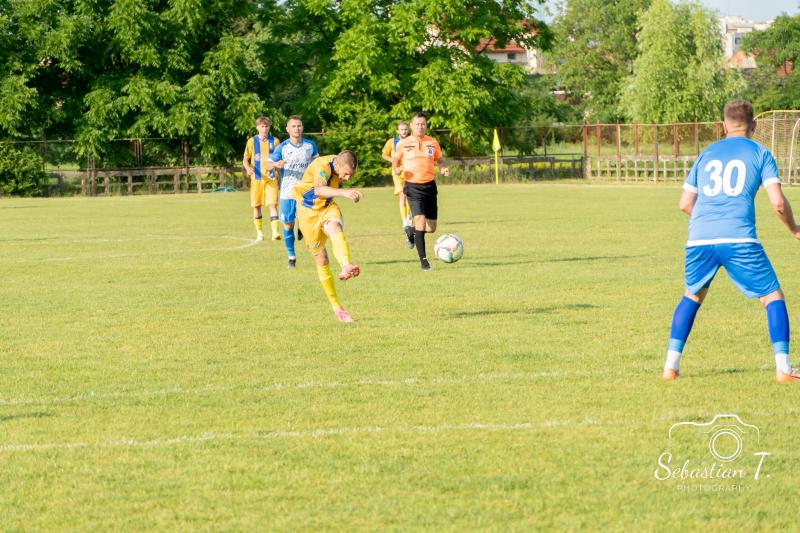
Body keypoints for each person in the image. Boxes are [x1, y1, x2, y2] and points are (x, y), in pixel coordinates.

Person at [662, 99, 800, 383]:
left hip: (699, 238)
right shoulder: (760, 153)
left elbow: (685, 203)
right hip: (739, 238)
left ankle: (670, 368)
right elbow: (777, 203)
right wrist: (794, 229)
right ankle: (784, 369)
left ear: (723, 125)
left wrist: (708, 221)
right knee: (772, 297)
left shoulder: (707, 153)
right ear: (754, 125)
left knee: (692, 296)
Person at [294, 151, 362, 322]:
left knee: (335, 227)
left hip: (327, 208)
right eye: (345, 174)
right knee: (322, 260)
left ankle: (345, 265)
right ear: (337, 165)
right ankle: (337, 307)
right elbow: (319, 189)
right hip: (307, 213)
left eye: (350, 175)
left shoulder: (339, 165)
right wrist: (345, 193)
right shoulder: (322, 166)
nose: (347, 178)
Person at [392, 112, 449, 271]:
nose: (420, 126)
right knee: (420, 222)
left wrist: (443, 168)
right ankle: (424, 262)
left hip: (430, 187)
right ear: (411, 126)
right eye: (417, 124)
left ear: (426, 126)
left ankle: (410, 231)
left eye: (423, 124)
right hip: (413, 187)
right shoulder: (403, 144)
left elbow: (440, 160)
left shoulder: (432, 142)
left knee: (431, 228)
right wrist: (397, 169)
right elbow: (396, 162)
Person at [267, 115, 319, 268]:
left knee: (310, 222)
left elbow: (318, 164)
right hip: (288, 192)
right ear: (288, 129)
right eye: (293, 126)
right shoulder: (282, 147)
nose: (297, 128)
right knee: (288, 225)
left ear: (302, 128)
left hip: (306, 192)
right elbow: (266, 165)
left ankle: (302, 227)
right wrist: (276, 164)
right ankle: (291, 257)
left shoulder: (310, 145)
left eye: (299, 126)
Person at [242, 116, 280, 241]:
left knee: (273, 205)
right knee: (257, 206)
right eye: (262, 126)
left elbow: (279, 160)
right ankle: (259, 233)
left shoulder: (275, 141)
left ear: (269, 127)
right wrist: (248, 168)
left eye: (266, 126)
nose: (264, 129)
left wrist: (280, 173)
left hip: (271, 179)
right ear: (257, 127)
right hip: (257, 179)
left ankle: (275, 232)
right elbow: (245, 159)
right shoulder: (251, 142)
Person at [381, 121, 413, 248]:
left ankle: (408, 217)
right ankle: (405, 221)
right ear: (397, 131)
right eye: (401, 129)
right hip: (397, 173)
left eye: (405, 129)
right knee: (402, 195)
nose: (404, 131)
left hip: (409, 171)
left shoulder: (412, 140)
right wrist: (394, 161)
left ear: (408, 130)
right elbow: (384, 154)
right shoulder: (392, 142)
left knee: (409, 195)